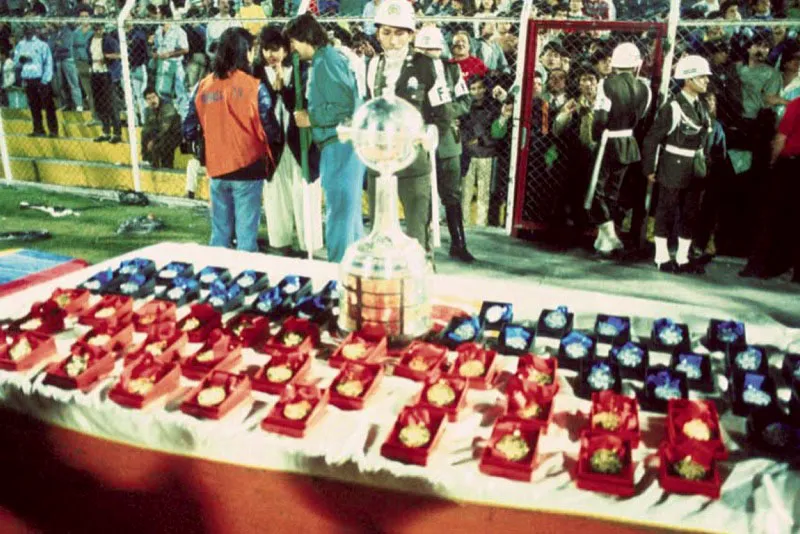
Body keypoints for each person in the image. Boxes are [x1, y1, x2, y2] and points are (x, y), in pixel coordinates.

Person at [365, 0, 454, 254]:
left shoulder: (427, 65)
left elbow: (443, 115)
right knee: (379, 230)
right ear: (378, 33)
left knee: (417, 233)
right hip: (379, 161)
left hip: (413, 161)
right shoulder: (373, 64)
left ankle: (422, 277)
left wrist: (428, 136)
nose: (393, 40)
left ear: (411, 34)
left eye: (400, 33)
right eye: (387, 32)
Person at [183, 27, 282, 252]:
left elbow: (188, 128)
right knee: (246, 238)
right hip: (248, 166)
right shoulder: (254, 87)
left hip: (216, 167)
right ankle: (245, 283)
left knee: (220, 235)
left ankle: (215, 280)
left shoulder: (202, 86)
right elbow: (271, 129)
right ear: (245, 51)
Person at [286, 13, 365, 263]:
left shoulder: (326, 60)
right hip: (340, 145)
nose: (292, 50)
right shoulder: (327, 58)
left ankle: (338, 272)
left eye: (293, 43)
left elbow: (344, 107)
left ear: (306, 38)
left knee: (340, 215)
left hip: (340, 145)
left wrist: (312, 117)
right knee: (348, 216)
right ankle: (350, 269)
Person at [255, 26, 323, 256]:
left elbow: (303, 102)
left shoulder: (302, 70)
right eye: (266, 49)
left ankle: (310, 247)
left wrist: (284, 89)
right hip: (273, 147)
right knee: (276, 198)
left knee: (304, 195)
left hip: (300, 145)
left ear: (286, 48)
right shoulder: (257, 74)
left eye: (275, 49)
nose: (270, 54)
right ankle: (279, 244)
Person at [642, 55, 712, 274]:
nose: (706, 81)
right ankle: (661, 256)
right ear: (688, 79)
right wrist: (650, 168)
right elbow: (652, 139)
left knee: (691, 212)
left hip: (694, 166)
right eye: (702, 77)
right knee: (667, 210)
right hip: (674, 163)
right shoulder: (673, 107)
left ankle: (682, 257)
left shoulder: (701, 105)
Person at [414, 25, 475, 262]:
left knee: (452, 194)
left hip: (447, 141)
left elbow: (466, 100)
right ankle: (423, 245)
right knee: (422, 195)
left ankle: (459, 243)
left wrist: (448, 113)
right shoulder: (411, 72)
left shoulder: (452, 71)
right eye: (425, 51)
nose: (431, 54)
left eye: (434, 50)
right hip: (420, 138)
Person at [586, 42, 651, 255]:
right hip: (628, 142)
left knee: (596, 190)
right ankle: (603, 242)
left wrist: (596, 137)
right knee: (612, 192)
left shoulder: (607, 84)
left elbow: (600, 118)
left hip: (608, 141)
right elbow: (640, 117)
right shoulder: (645, 87)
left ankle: (611, 236)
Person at [739, 96, 800, 281]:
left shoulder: (797, 104)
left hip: (790, 165)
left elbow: (781, 138)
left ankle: (759, 266)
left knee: (771, 217)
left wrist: (773, 162)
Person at [12, 19, 58, 137]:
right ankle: (38, 129)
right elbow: (16, 63)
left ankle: (53, 130)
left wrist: (45, 79)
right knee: (34, 105)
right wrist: (20, 61)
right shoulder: (21, 45)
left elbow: (48, 62)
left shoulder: (42, 45)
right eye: (26, 29)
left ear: (34, 30)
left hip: (40, 78)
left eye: (30, 28)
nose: (27, 31)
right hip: (28, 78)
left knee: (48, 105)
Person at [88, 22, 122, 144]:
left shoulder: (109, 40)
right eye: (96, 28)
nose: (98, 31)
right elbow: (89, 55)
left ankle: (117, 132)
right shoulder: (90, 40)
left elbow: (119, 54)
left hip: (106, 73)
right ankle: (106, 131)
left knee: (111, 104)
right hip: (95, 72)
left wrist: (107, 57)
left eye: (100, 28)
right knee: (100, 104)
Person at [141, 86, 182, 168]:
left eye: (153, 97)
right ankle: (148, 160)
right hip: (159, 133)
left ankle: (166, 167)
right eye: (149, 99)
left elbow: (165, 129)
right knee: (144, 133)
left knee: (163, 143)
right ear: (146, 101)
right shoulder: (148, 110)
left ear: (157, 96)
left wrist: (153, 141)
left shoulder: (167, 106)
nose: (152, 101)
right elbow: (146, 128)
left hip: (174, 134)